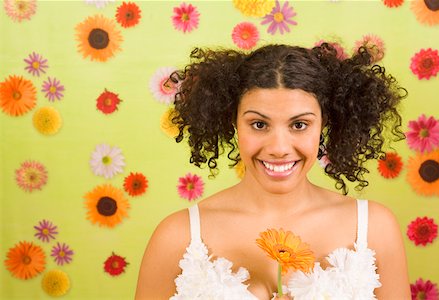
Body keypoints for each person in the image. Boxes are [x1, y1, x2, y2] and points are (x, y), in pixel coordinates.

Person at [135, 43, 411, 299]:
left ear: (324, 124)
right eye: (258, 125)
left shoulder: (374, 227)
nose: (279, 148)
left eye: (299, 125)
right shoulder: (177, 236)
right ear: (233, 122)